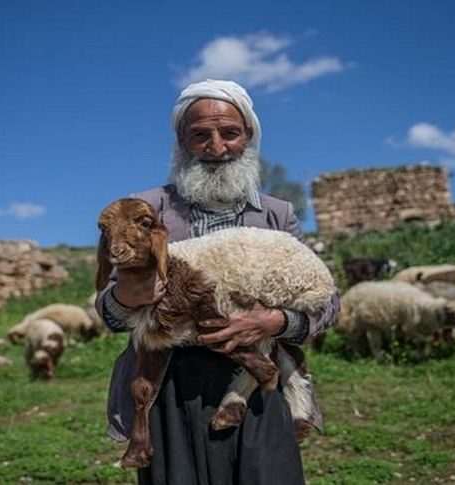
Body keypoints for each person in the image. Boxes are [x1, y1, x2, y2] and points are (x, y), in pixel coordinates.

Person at [95, 79, 340, 485]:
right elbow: (108, 310)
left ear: (248, 137)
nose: (217, 147)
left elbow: (328, 305)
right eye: (200, 135)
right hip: (171, 385)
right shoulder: (145, 209)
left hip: (260, 381)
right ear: (181, 141)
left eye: (230, 133)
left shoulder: (277, 214)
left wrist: (276, 322)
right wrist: (124, 297)